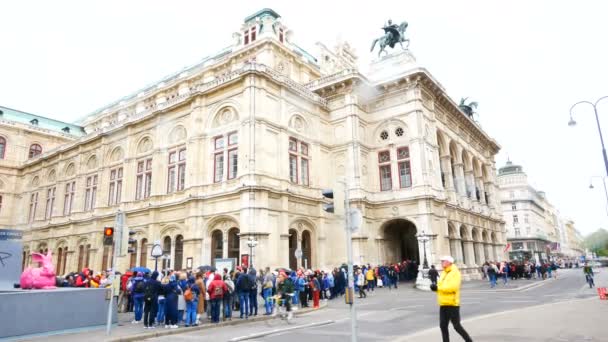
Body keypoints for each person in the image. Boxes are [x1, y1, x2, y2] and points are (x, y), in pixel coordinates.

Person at [430, 256, 473, 342]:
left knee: (456, 326)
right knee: (443, 326)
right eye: (441, 261)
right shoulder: (444, 273)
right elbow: (442, 287)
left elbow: (452, 288)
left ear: (449, 262)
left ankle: (469, 341)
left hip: (452, 303)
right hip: (443, 303)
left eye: (443, 261)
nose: (441, 262)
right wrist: (435, 288)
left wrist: (438, 288)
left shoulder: (455, 272)